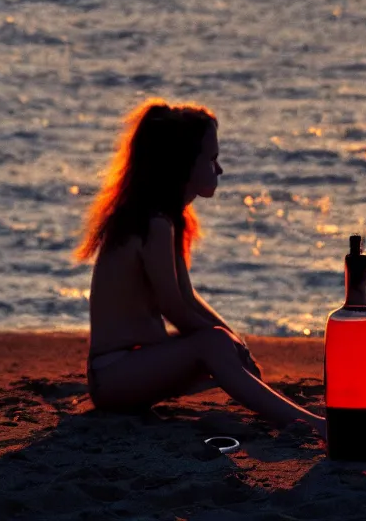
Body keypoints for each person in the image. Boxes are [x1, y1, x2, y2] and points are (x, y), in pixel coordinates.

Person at [74, 99, 326, 440]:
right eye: (211, 159)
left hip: (133, 368)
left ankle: (293, 416)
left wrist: (235, 342)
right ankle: (312, 425)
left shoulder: (168, 220)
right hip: (114, 375)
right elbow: (172, 307)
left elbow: (187, 298)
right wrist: (224, 343)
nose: (219, 170)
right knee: (213, 344)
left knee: (218, 343)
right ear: (182, 165)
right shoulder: (152, 223)